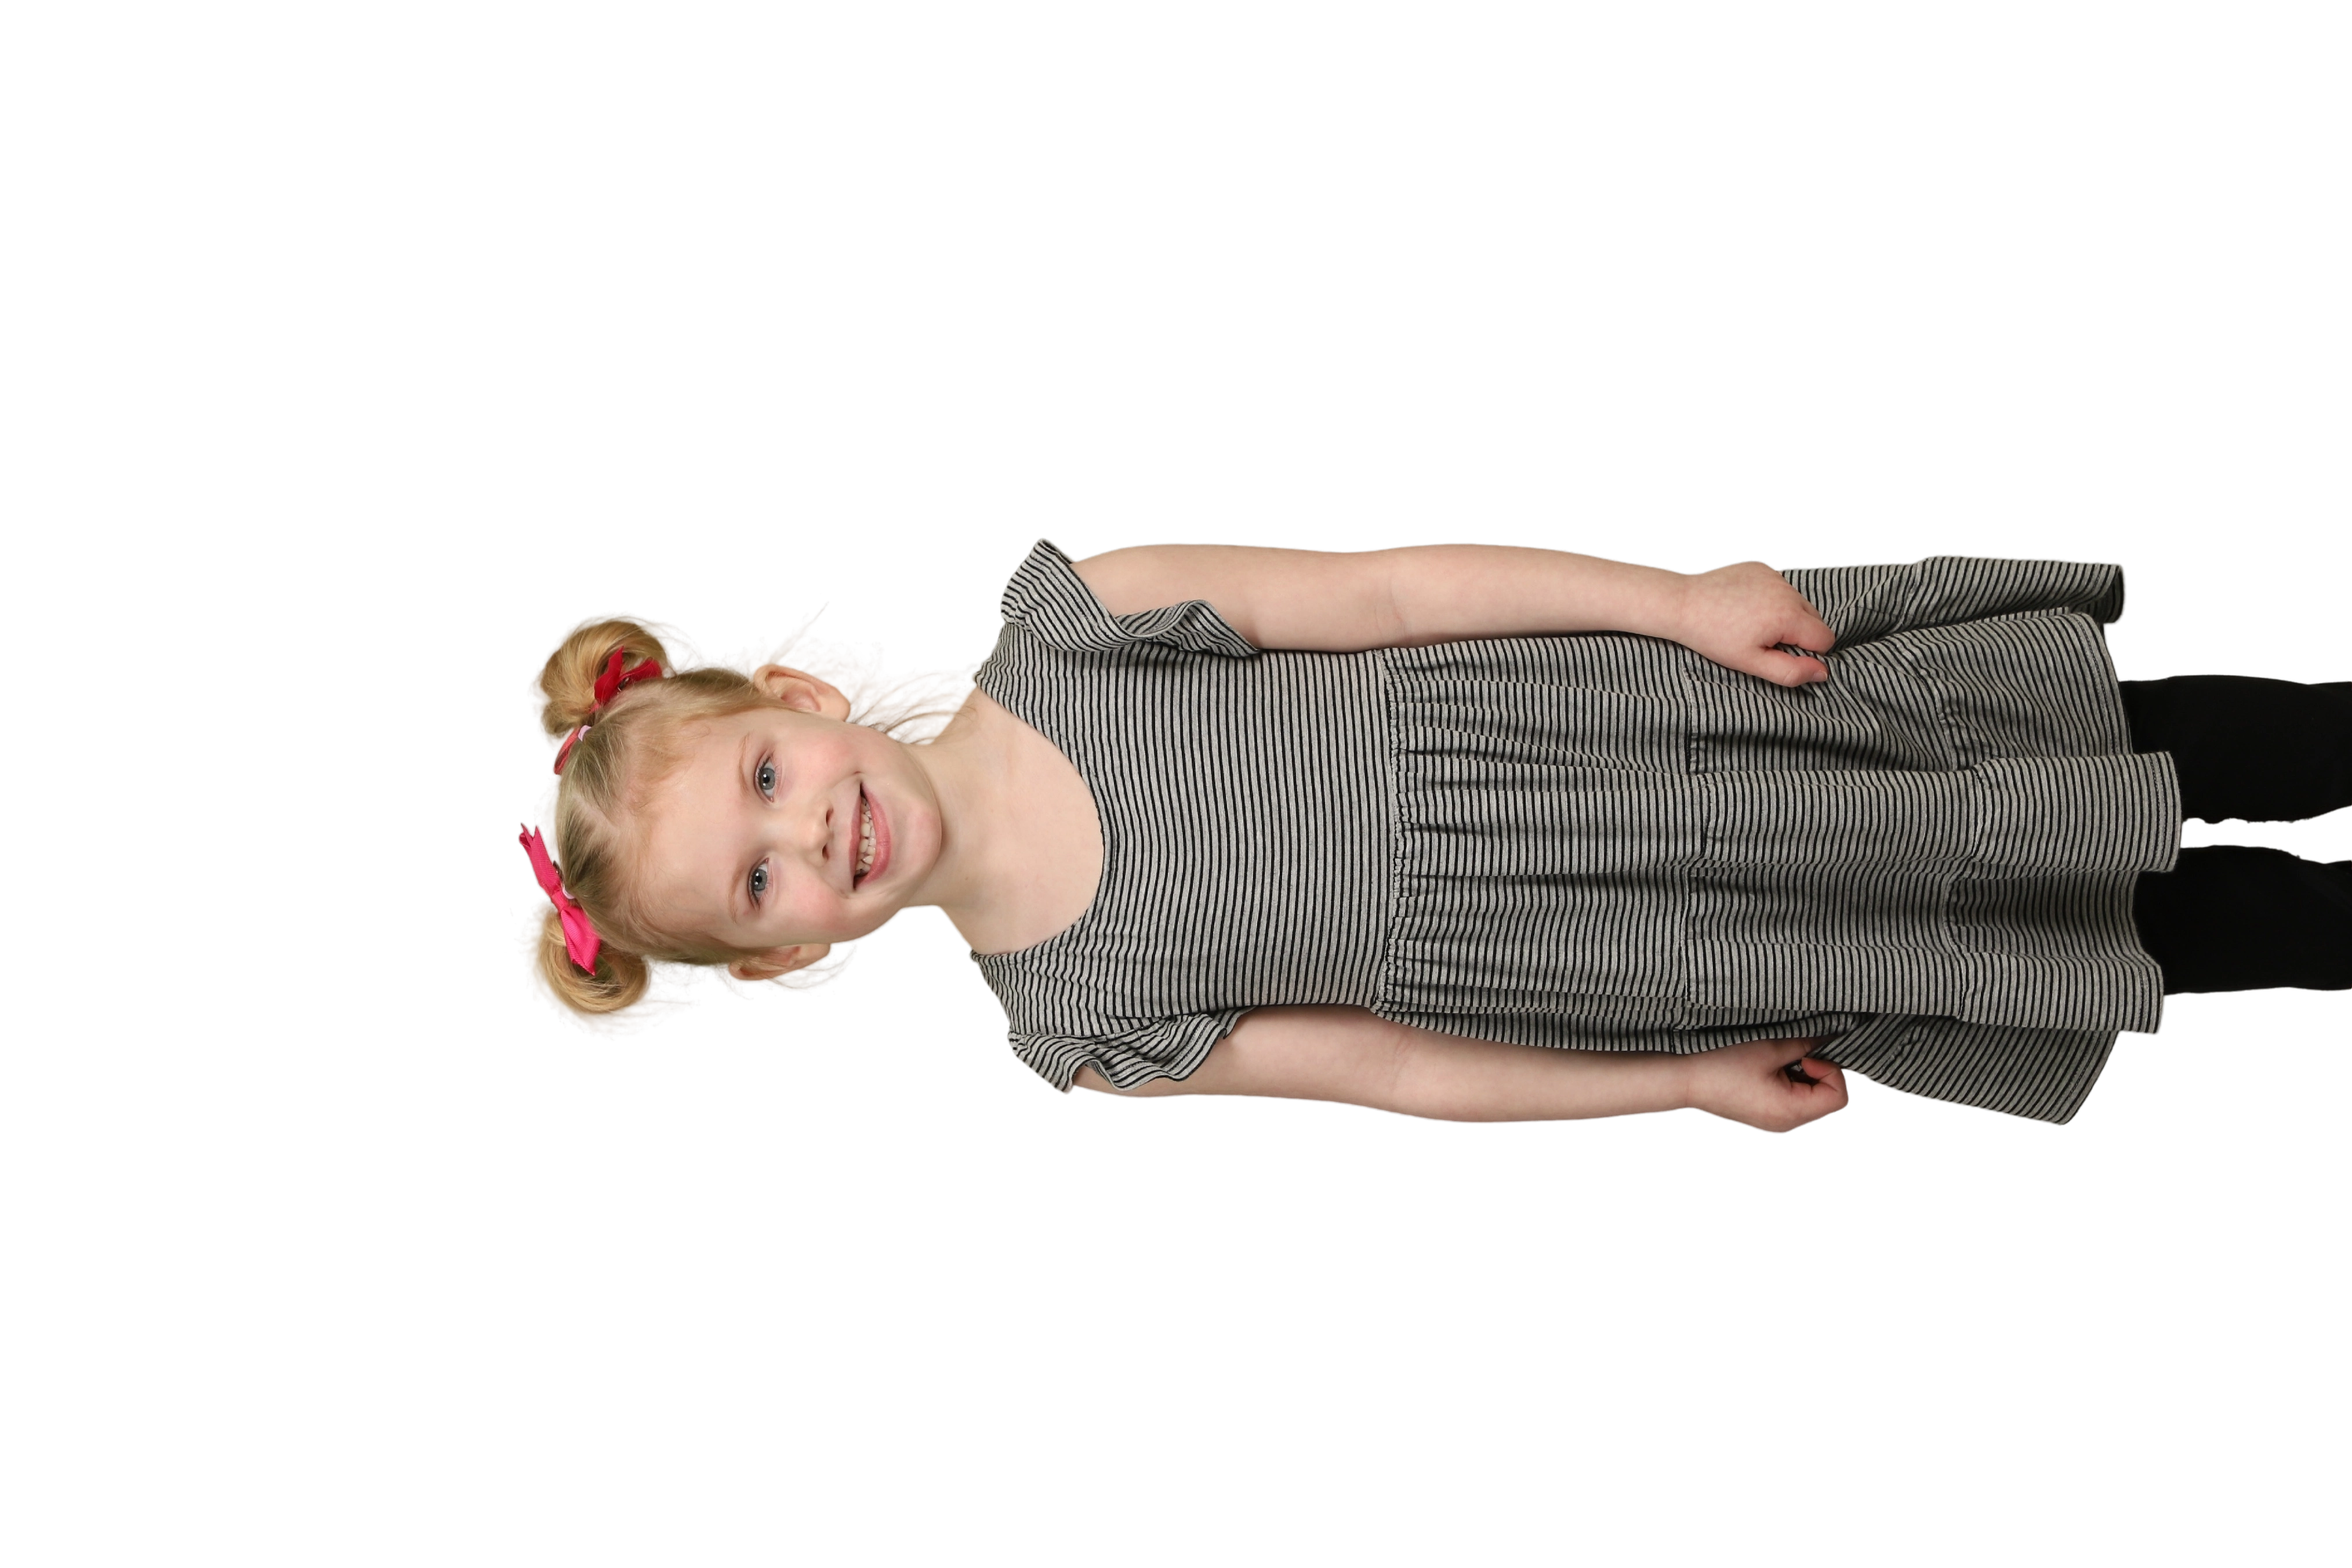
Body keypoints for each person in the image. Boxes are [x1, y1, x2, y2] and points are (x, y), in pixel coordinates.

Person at [511, 535, 2352, 1135]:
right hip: (1642, 961)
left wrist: (1677, 604)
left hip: (1653, 730)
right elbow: (1391, 1068)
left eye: (764, 779)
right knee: (2205, 930)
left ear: (794, 695)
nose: (810, 832)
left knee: (2146, 745)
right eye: (757, 881)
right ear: (790, 953)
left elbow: (1392, 592)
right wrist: (1683, 1084)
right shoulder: (1082, 1023)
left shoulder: (1071, 624)